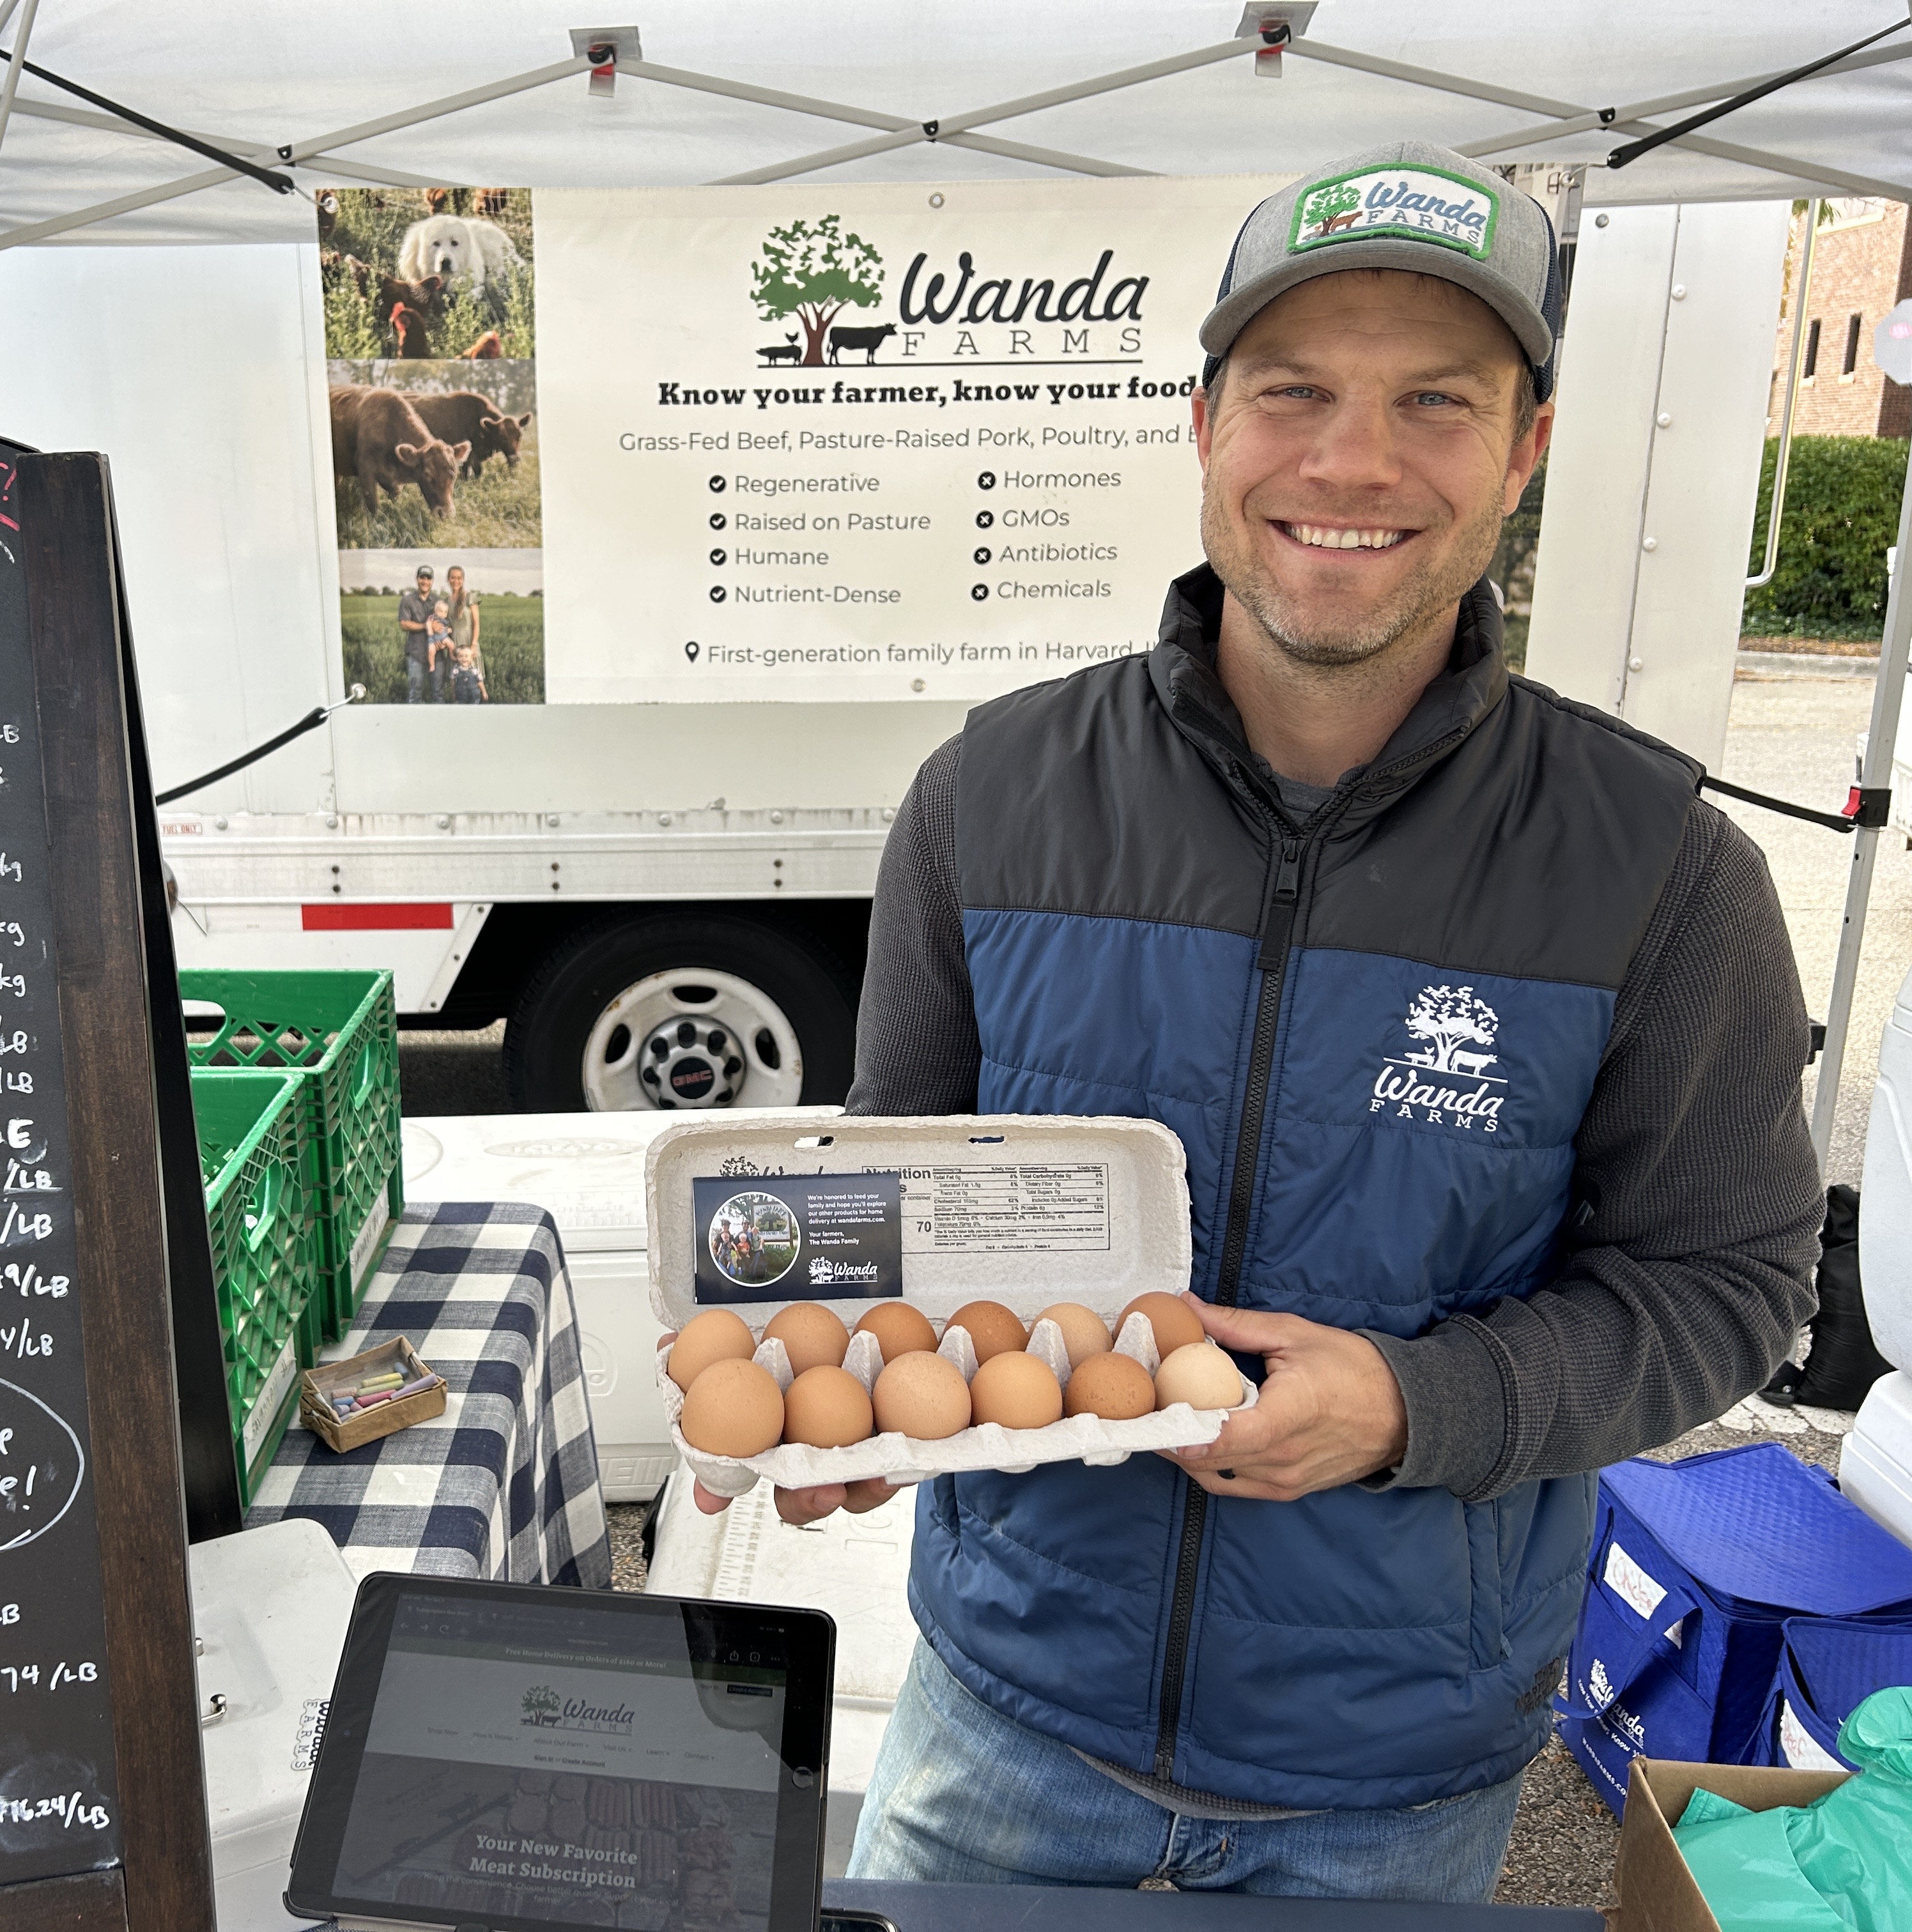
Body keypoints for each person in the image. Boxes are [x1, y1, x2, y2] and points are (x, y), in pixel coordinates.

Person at [702, 139, 1824, 1901]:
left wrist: (1419, 1405)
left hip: (1392, 1787)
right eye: (1294, 390)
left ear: (1525, 449)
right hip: (1003, 1724)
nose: (1352, 461)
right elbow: (897, 1188)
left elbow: (1731, 1285)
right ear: (1206, 424)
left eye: (1436, 402)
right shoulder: (991, 796)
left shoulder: (1661, 873)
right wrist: (840, 1384)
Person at [395, 565, 445, 702]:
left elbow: (445, 625)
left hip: (437, 654)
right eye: (422, 578)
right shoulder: (407, 600)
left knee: (438, 693)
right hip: (416, 653)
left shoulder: (438, 601)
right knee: (415, 693)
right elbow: (404, 624)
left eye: (428, 579)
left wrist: (443, 642)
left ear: (432, 581)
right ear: (417, 579)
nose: (425, 581)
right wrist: (427, 626)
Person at [443, 564, 488, 702]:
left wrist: (473, 645)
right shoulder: (446, 601)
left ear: (463, 580)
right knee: (458, 682)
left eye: (459, 578)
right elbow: (446, 626)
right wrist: (449, 648)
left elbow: (476, 623)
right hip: (455, 644)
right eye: (453, 578)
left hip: (469, 641)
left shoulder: (470, 597)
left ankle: (477, 704)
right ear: (448, 579)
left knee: (475, 680)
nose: (456, 581)